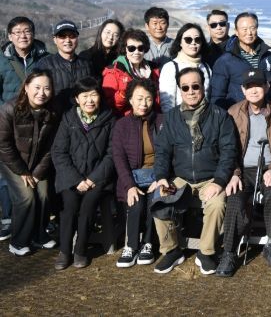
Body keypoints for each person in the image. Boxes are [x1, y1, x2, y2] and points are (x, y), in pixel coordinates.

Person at [152, 67, 237, 275]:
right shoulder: (171, 118)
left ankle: (206, 252)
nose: (191, 91)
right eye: (185, 87)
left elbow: (229, 151)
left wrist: (219, 181)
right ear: (180, 90)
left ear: (203, 87)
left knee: (217, 204)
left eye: (195, 86)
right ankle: (171, 250)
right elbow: (162, 151)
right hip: (181, 178)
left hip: (211, 178)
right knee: (161, 198)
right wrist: (161, 177)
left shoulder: (220, 116)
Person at [216, 69, 271, 276]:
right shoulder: (233, 112)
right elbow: (227, 148)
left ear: (266, 87)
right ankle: (229, 252)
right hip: (242, 169)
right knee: (235, 199)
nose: (254, 90)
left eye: (258, 85)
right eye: (249, 86)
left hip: (268, 168)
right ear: (243, 89)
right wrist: (234, 173)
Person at [51, 77, 116, 269]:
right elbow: (59, 152)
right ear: (76, 99)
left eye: (93, 95)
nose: (90, 100)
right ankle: (64, 251)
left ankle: (80, 249)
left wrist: (93, 178)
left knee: (88, 205)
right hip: (71, 178)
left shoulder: (109, 119)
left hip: (98, 178)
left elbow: (112, 154)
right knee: (70, 206)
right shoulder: (68, 118)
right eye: (84, 96)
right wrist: (76, 180)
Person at [0, 71, 58, 255]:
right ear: (26, 87)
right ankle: (18, 241)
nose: (42, 93)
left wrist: (38, 172)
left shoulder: (53, 112)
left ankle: (39, 235)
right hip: (13, 162)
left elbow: (52, 146)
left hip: (39, 163)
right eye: (37, 87)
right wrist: (23, 171)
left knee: (43, 194)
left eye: (47, 88)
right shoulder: (9, 109)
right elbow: (3, 144)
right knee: (26, 197)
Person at [112, 78, 162, 268]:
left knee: (153, 202)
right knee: (136, 203)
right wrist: (130, 186)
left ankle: (148, 244)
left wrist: (161, 177)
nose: (144, 104)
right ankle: (131, 246)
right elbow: (118, 158)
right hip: (131, 177)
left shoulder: (162, 121)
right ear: (130, 100)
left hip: (156, 176)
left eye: (148, 99)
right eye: (139, 99)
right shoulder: (121, 125)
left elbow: (168, 153)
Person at [210, 12, 271, 110]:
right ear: (236, 32)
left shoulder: (269, 57)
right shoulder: (225, 61)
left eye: (252, 28)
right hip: (237, 114)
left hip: (267, 112)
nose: (249, 33)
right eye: (244, 29)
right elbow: (217, 96)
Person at [36, 20, 93, 114]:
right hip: (54, 117)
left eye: (72, 36)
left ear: (77, 39)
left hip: (81, 117)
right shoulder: (45, 64)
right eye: (62, 36)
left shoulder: (86, 64)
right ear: (55, 40)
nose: (67, 40)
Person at [102, 28, 160, 117]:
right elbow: (110, 105)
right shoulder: (113, 72)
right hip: (126, 120)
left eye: (140, 48)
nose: (136, 52)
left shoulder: (154, 70)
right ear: (125, 49)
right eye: (131, 48)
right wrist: (124, 94)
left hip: (152, 118)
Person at [159, 23, 211, 112]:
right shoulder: (171, 67)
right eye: (188, 40)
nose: (193, 43)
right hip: (180, 117)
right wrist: (172, 119)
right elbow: (167, 102)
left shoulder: (206, 67)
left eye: (197, 39)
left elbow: (207, 96)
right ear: (180, 42)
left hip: (204, 117)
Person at [0, 16, 49, 103]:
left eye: (27, 31)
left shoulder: (47, 59)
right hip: (10, 110)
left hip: (40, 110)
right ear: (10, 36)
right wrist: (4, 109)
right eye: (18, 32)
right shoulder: (2, 60)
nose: (23, 36)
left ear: (33, 34)